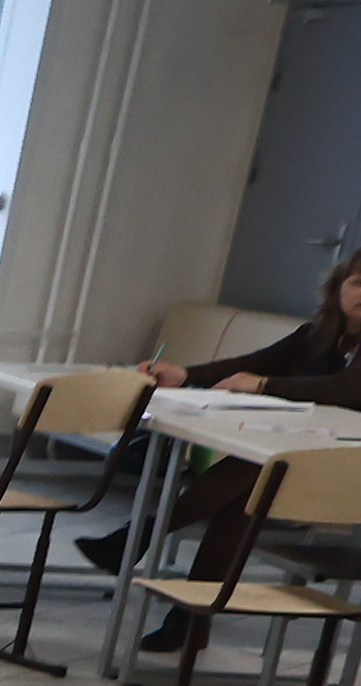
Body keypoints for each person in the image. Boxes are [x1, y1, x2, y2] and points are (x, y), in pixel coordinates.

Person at [94, 249, 361, 650]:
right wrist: (184, 374)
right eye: (358, 283)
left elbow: (347, 389)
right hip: (297, 460)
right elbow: (252, 365)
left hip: (346, 473)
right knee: (248, 487)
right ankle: (189, 617)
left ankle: (140, 537)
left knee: (254, 473)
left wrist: (264, 385)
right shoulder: (317, 336)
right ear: (339, 287)